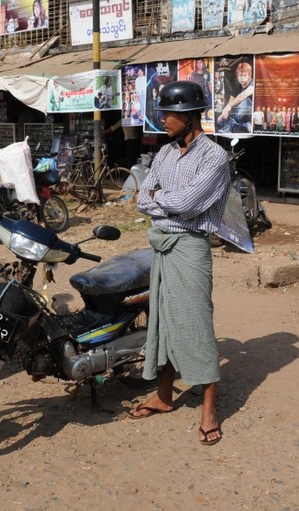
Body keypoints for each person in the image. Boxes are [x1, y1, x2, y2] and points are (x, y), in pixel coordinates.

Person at [133, 81, 231, 446]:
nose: (163, 120)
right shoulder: (164, 153)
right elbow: (142, 197)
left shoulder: (215, 157)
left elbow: (190, 205)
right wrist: (161, 199)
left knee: (196, 325)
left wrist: (161, 198)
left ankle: (208, 410)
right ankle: (164, 395)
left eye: (169, 114)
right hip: (162, 246)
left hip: (189, 248)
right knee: (163, 321)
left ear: (190, 116)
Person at [216, 60, 254, 134]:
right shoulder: (238, 86)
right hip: (239, 119)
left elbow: (242, 95)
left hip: (250, 116)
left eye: (244, 75)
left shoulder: (253, 84)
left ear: (249, 75)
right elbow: (230, 102)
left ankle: (230, 127)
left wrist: (229, 106)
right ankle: (241, 126)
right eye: (240, 75)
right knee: (220, 121)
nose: (242, 78)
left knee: (245, 101)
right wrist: (224, 112)